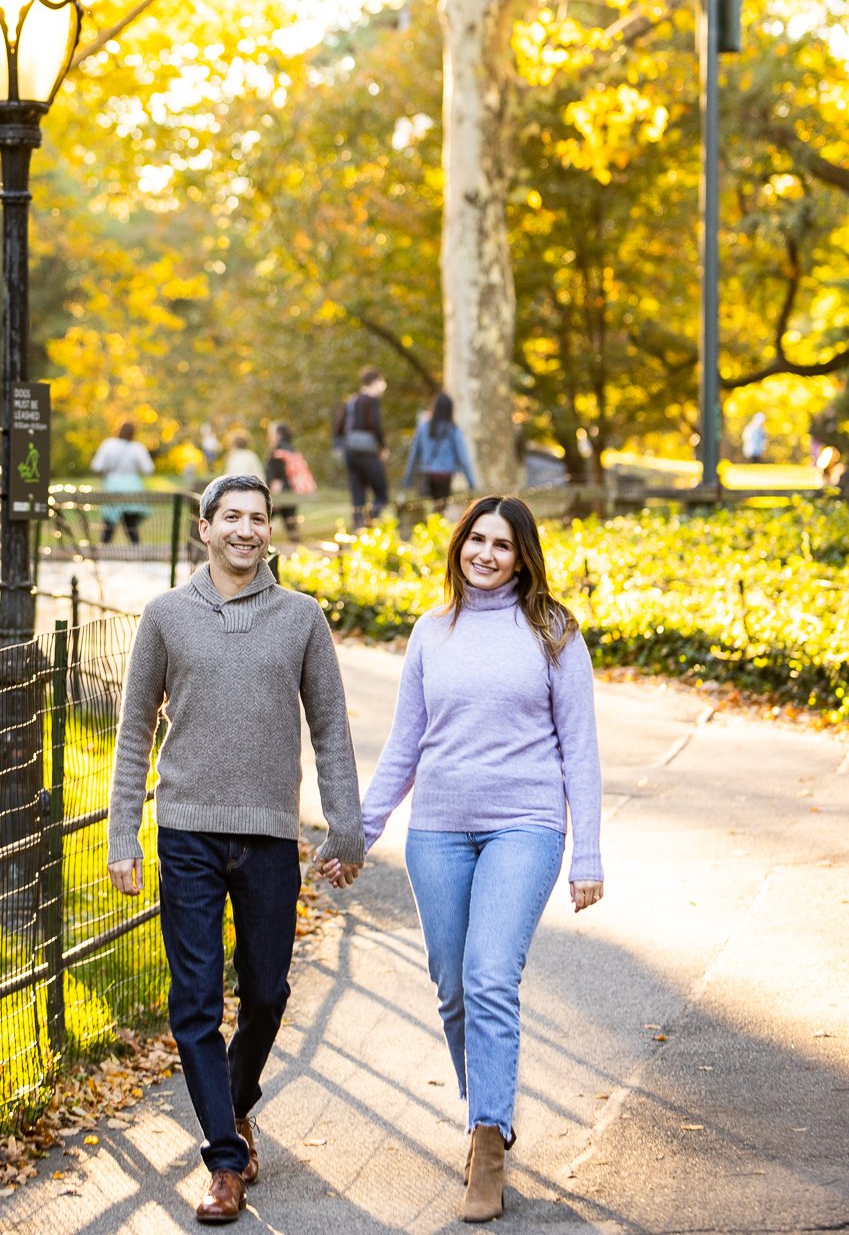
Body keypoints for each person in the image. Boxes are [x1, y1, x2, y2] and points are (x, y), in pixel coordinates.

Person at [328, 495, 603, 1223]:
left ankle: (487, 1139)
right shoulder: (432, 630)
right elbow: (404, 744)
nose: (484, 553)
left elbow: (580, 750)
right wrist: (361, 829)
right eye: (475, 540)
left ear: (523, 556)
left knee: (488, 975)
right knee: (451, 986)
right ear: (458, 546)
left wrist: (588, 856)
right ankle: (484, 1108)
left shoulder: (552, 631)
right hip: (439, 833)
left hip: (525, 827)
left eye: (502, 545)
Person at [107, 475, 364, 1224]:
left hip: (268, 835)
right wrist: (123, 833)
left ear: (270, 531)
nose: (244, 529)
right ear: (204, 529)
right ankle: (224, 1159)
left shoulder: (301, 618)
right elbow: (131, 734)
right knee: (192, 1001)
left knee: (266, 993)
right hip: (185, 827)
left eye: (257, 518)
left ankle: (234, 1101)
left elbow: (331, 730)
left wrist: (344, 829)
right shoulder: (164, 617)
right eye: (231, 517)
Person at [401, 391, 477, 511]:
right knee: (441, 508)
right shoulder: (453, 429)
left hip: (427, 473)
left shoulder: (424, 426)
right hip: (444, 474)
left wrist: (407, 479)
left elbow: (414, 454)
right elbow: (463, 457)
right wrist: (471, 482)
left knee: (429, 508)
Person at [333, 367, 389, 529]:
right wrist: (383, 447)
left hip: (350, 452)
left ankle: (359, 526)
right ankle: (371, 520)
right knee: (381, 491)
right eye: (382, 382)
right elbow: (375, 424)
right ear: (374, 382)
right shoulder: (371, 402)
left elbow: (338, 428)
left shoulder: (351, 401)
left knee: (358, 492)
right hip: (367, 452)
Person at [89, 421, 154, 545]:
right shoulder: (137, 447)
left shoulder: (108, 445)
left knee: (109, 526)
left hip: (112, 486)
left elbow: (96, 466)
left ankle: (103, 552)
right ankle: (136, 553)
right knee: (131, 526)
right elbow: (148, 469)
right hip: (132, 487)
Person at [265, 421, 316, 539]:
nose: (269, 436)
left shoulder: (278, 452)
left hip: (280, 494)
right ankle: (298, 550)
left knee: (264, 522)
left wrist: (275, 498)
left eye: (271, 433)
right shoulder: (292, 450)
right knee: (291, 526)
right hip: (292, 493)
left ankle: (265, 551)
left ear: (278, 435)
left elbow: (276, 479)